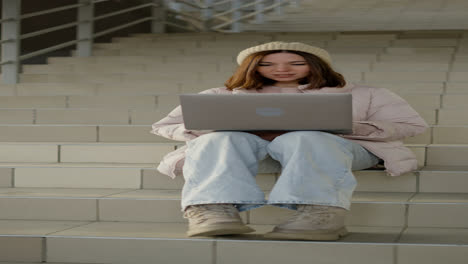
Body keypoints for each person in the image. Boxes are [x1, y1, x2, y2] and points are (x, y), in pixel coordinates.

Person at [151, 41, 428, 241]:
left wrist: (342, 127)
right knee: (219, 141)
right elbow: (168, 126)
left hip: (334, 148)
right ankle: (211, 210)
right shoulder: (222, 94)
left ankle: (321, 214)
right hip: (251, 150)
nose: (282, 70)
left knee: (308, 138)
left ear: (316, 64)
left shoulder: (366, 93)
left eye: (295, 63)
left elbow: (411, 125)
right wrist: (223, 129)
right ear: (253, 67)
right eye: (268, 64)